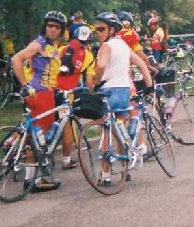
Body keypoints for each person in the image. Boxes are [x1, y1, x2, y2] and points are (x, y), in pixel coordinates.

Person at [92, 12, 154, 182]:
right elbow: (142, 64)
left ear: (111, 30)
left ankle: (105, 176)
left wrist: (97, 82)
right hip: (124, 91)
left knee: (106, 134)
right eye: (96, 29)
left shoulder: (107, 46)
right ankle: (125, 170)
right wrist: (149, 86)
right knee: (119, 130)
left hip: (108, 91)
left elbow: (101, 66)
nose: (97, 33)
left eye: (101, 29)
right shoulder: (124, 46)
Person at [10, 10, 68, 190]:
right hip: (40, 95)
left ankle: (34, 178)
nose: (53, 29)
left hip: (46, 94)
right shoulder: (39, 44)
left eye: (57, 27)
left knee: (38, 138)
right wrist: (24, 84)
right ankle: (32, 182)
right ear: (45, 26)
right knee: (39, 140)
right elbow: (16, 59)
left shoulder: (51, 45)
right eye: (50, 26)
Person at [55, 23, 95, 169]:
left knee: (39, 123)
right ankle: (66, 160)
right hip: (67, 95)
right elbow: (89, 82)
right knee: (67, 125)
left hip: (50, 90)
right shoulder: (89, 56)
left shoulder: (61, 49)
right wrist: (92, 91)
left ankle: (13, 142)